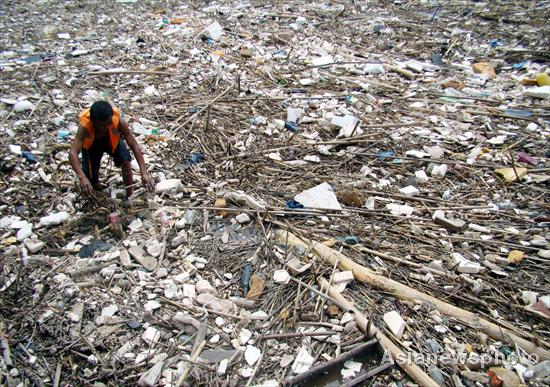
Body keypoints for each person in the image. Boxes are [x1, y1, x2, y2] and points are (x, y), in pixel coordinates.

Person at [69, 101, 155, 198]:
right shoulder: (85, 126)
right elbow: (73, 153)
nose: (106, 127)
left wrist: (144, 173)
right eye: (101, 125)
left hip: (112, 140)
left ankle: (129, 192)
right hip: (92, 146)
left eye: (108, 123)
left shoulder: (119, 121)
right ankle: (95, 186)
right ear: (93, 122)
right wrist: (82, 177)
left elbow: (134, 145)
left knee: (125, 160)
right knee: (89, 178)